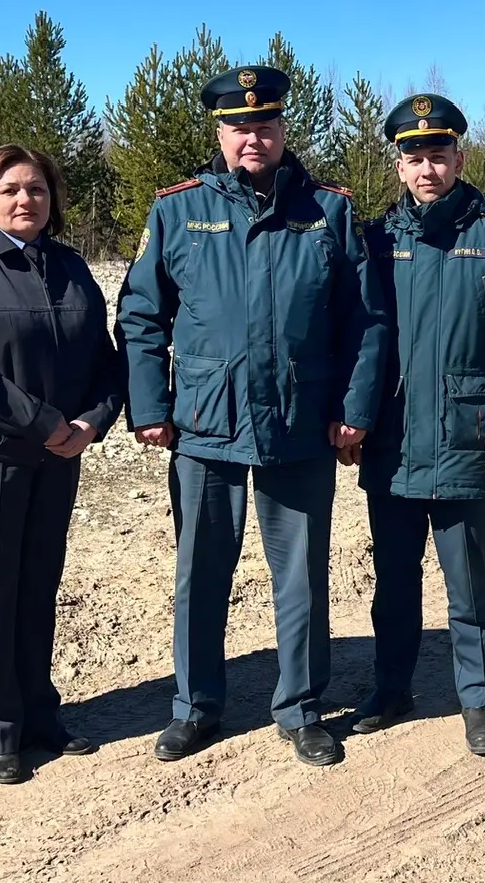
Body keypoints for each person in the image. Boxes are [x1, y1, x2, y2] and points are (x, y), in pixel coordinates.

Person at [117, 65, 387, 767]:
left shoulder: (327, 210)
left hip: (298, 426)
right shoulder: (177, 209)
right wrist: (149, 405)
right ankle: (196, 706)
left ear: (283, 128)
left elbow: (363, 320)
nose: (252, 137)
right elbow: (142, 314)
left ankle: (300, 708)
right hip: (204, 426)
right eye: (238, 126)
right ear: (219, 131)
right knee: (200, 572)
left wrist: (353, 409)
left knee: (299, 576)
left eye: (264, 124)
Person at [348, 93, 485, 756]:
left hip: (468, 438)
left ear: (459, 157)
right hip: (394, 441)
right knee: (394, 584)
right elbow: (353, 336)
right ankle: (391, 687)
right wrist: (350, 418)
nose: (427, 167)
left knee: (469, 584)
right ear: (399, 166)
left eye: (438, 154)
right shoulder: (376, 241)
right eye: (414, 156)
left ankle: (480, 700)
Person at [0, 144, 125, 786]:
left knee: (40, 583)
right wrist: (45, 423)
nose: (25, 200)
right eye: (11, 188)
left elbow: (106, 357)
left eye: (37, 189)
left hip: (60, 456)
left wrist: (94, 420)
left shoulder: (70, 268)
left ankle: (41, 713)